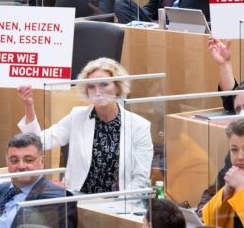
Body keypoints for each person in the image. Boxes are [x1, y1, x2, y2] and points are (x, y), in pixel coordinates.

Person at [16, 57, 152, 193]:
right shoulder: (77, 116)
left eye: (104, 85)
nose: (97, 92)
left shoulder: (139, 126)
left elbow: (141, 179)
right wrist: (29, 105)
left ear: (117, 87)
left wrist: (122, 204)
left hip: (120, 201)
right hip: (79, 199)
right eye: (91, 86)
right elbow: (38, 142)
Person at [0, 133, 77, 228]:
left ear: (42, 161)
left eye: (29, 160)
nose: (21, 166)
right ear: (7, 162)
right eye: (14, 160)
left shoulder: (59, 198)